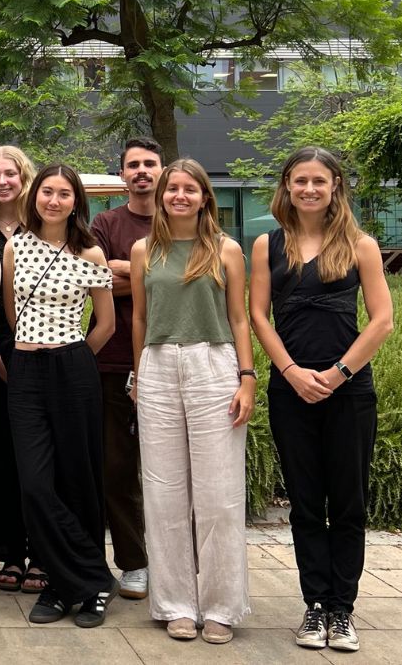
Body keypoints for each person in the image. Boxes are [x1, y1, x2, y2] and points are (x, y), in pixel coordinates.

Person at [249, 147, 393, 653]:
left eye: (319, 181)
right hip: (291, 392)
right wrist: (289, 372)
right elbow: (258, 316)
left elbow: (382, 320)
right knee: (306, 505)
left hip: (349, 392)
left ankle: (342, 609)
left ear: (335, 187)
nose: (309, 189)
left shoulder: (360, 245)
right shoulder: (267, 244)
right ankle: (315, 606)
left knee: (348, 504)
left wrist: (337, 374)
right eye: (300, 180)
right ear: (286, 186)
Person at [130, 158, 256, 644]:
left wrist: (247, 378)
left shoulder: (225, 250)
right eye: (171, 188)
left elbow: (240, 319)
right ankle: (176, 603)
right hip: (159, 366)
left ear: (205, 197)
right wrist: (139, 376)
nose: (179, 196)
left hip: (214, 365)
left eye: (189, 189)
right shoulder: (145, 250)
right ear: (161, 195)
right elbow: (140, 319)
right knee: (163, 493)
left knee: (219, 495)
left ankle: (221, 606)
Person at [3, 164, 116, 628]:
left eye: (63, 193)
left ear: (76, 201)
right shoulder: (15, 247)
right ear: (35, 197)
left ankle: (72, 588)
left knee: (79, 480)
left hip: (73, 368)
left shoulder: (91, 252)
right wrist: (36, 355)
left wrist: (72, 357)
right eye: (47, 192)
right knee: (34, 484)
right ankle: (87, 576)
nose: (53, 200)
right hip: (26, 370)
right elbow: (12, 315)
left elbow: (106, 323)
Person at [88, 136, 162, 600]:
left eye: (149, 164)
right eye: (133, 165)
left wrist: (127, 271)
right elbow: (94, 282)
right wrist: (154, 272)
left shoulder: (181, 219)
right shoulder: (106, 222)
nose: (141, 172)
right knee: (115, 468)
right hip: (112, 363)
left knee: (168, 473)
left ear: (163, 170)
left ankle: (174, 561)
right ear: (122, 175)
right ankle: (133, 563)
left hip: (172, 358)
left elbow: (194, 278)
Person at [0, 146, 44, 593]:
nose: (2, 181)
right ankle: (11, 553)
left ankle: (43, 551)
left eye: (10, 174)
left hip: (39, 351)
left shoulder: (45, 227)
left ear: (24, 178)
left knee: (39, 459)